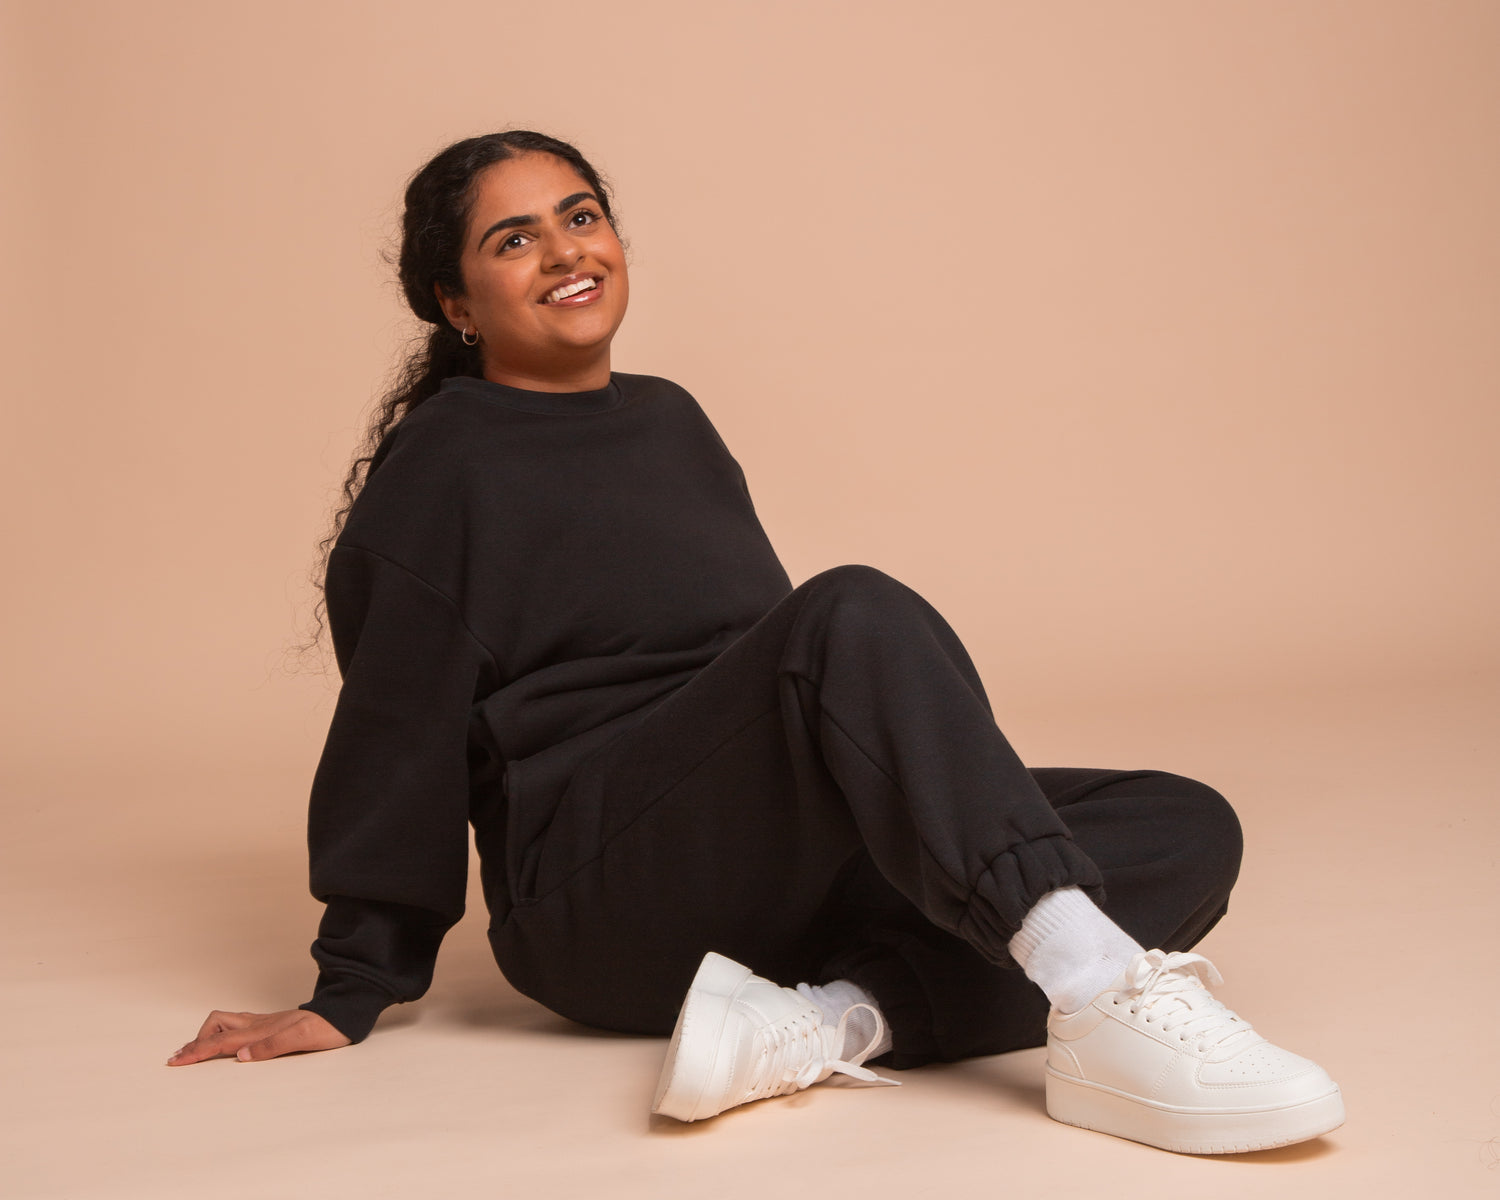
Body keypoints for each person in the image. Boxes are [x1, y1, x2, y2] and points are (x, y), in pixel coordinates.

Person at [167, 130, 1344, 1155]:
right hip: (598, 900)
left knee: (1187, 824)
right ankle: (1099, 999)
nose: (568, 251)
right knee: (849, 610)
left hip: (756, 870)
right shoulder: (443, 473)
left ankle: (829, 1019)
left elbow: (771, 685)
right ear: (455, 305)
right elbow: (397, 731)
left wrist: (924, 815)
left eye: (582, 217)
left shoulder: (673, 419)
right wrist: (354, 982)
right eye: (515, 239)